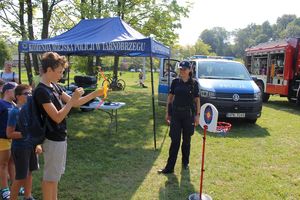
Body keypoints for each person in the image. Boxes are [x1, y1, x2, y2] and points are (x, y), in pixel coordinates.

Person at [35, 52, 107, 200]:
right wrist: (71, 100)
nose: (61, 75)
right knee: (50, 179)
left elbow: (75, 103)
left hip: (60, 137)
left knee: (54, 177)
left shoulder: (54, 86)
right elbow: (57, 117)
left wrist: (96, 93)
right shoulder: (42, 91)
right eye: (59, 72)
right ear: (49, 70)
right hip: (52, 138)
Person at [158, 61, 200, 174]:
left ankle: (185, 163)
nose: (182, 71)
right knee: (175, 141)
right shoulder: (175, 82)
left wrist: (197, 115)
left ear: (190, 70)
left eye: (184, 69)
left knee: (186, 141)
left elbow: (197, 100)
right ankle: (169, 167)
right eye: (180, 69)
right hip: (176, 115)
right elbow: (170, 97)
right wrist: (167, 112)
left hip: (188, 115)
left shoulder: (194, 83)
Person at [6, 84, 42, 200]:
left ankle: (28, 196)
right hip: (20, 148)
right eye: (27, 93)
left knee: (30, 172)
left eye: (31, 93)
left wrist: (37, 144)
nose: (30, 96)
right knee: (21, 176)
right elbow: (9, 134)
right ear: (18, 96)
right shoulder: (14, 112)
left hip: (31, 147)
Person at [0, 82, 17, 200]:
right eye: (15, 90)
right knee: (3, 164)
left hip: (12, 139)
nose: (17, 92)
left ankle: (15, 186)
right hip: (2, 139)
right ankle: (4, 189)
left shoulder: (13, 105)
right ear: (7, 91)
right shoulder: (1, 103)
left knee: (12, 162)